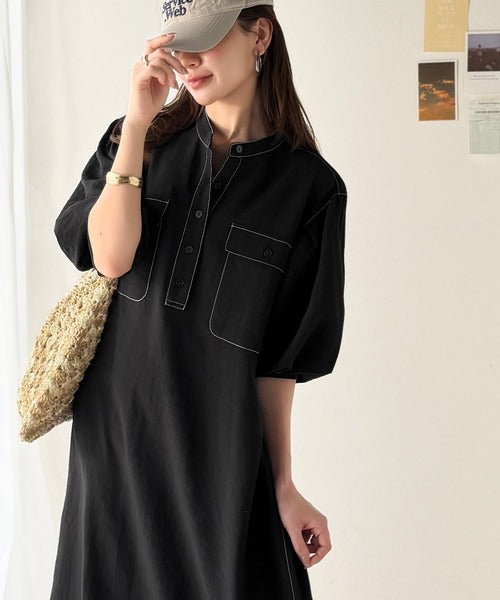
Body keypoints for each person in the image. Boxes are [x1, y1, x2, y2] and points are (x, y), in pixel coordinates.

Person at [49, 1, 347, 599]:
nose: (186, 59)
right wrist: (138, 124)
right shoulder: (136, 142)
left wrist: (284, 484)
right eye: (176, 43)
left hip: (220, 470)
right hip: (116, 461)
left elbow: (277, 363)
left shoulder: (311, 190)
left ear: (259, 35)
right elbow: (110, 257)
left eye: (205, 39)